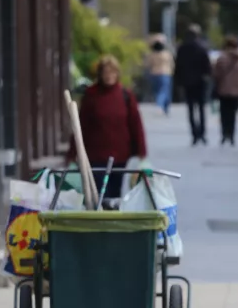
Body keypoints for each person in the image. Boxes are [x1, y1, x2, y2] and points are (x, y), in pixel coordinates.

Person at [65, 55, 147, 208]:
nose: (109, 76)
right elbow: (80, 125)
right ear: (100, 74)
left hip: (120, 156)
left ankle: (113, 224)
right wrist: (72, 152)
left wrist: (141, 152)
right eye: (106, 72)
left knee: (115, 194)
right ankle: (100, 224)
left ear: (117, 74)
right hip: (96, 156)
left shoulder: (125, 95)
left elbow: (135, 124)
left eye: (112, 72)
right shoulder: (91, 95)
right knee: (100, 195)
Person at [174, 24, 212, 145]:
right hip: (200, 82)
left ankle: (194, 134)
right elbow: (207, 67)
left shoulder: (181, 48)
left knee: (190, 109)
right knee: (201, 109)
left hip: (187, 82)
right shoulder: (202, 47)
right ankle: (202, 133)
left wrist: (178, 81)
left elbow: (178, 66)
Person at [213, 35, 238, 145]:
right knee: (233, 114)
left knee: (224, 114)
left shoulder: (222, 58)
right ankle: (232, 135)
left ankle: (225, 134)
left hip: (223, 90)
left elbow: (216, 74)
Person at [146, 35, 175, 115]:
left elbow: (148, 65)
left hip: (154, 73)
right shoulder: (167, 54)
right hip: (165, 73)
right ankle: (161, 105)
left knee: (158, 90)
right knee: (164, 90)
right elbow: (172, 64)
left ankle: (163, 105)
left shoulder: (151, 55)